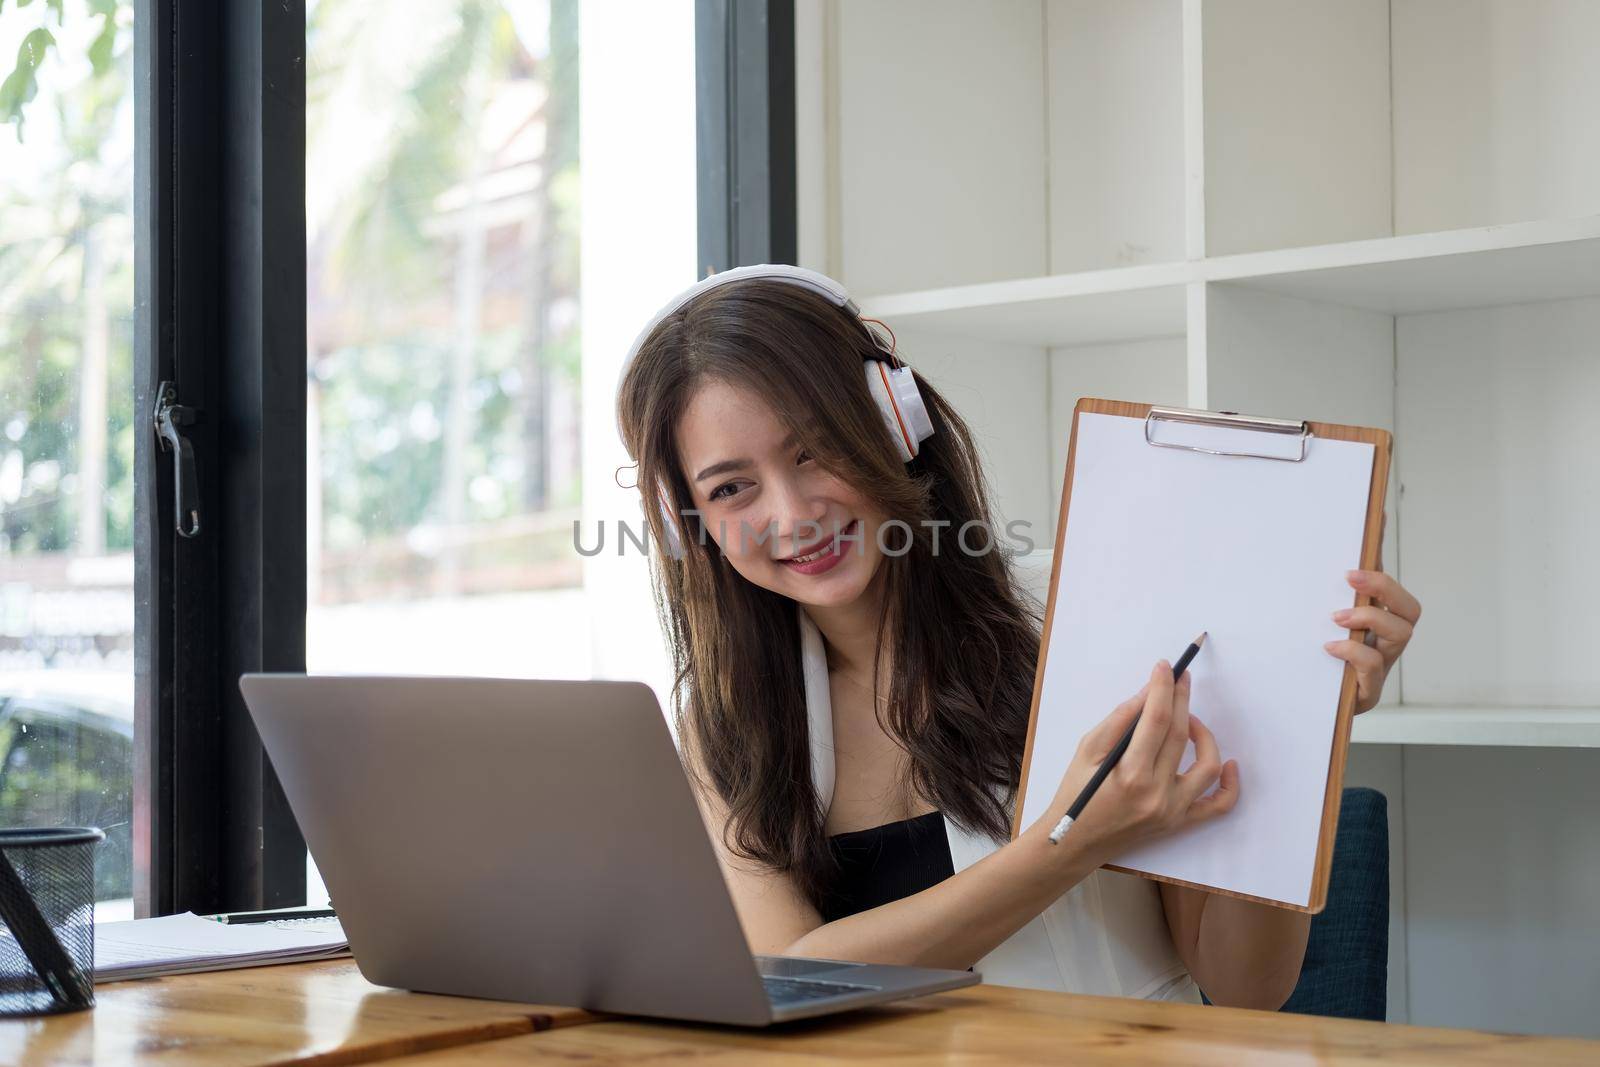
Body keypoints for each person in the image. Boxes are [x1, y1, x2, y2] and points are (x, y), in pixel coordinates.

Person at [614, 264, 1420, 1010]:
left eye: (813, 449)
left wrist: (1300, 716)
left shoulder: (1085, 626)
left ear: (894, 419)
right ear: (689, 524)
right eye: (732, 487)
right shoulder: (731, 725)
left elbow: (1248, 988)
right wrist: (1068, 844)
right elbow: (793, 979)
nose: (791, 515)